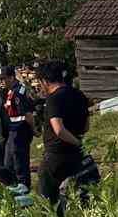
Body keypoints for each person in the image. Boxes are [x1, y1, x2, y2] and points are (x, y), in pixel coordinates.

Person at [35, 61, 90, 207]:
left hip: (56, 157)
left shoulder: (54, 99)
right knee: (78, 197)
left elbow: (58, 129)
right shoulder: (80, 95)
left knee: (48, 204)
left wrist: (76, 142)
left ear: (45, 81)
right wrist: (78, 143)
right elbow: (86, 127)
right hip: (76, 156)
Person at [0, 64, 37, 190]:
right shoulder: (10, 91)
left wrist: (33, 129)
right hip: (12, 131)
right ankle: (12, 184)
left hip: (20, 130)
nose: (1, 82)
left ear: (11, 78)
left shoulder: (19, 91)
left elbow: (28, 114)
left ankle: (23, 185)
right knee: (8, 160)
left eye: (3, 78)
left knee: (19, 159)